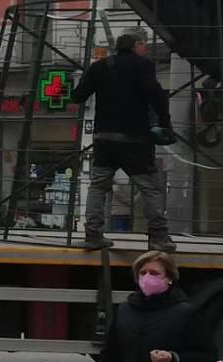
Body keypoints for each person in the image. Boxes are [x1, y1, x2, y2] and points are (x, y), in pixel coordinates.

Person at [72, 31, 175, 251]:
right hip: (135, 139)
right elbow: (155, 95)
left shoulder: (100, 67)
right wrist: (165, 123)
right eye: (144, 45)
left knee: (98, 186)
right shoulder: (143, 66)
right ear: (136, 45)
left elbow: (78, 96)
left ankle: (93, 235)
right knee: (150, 188)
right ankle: (158, 237)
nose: (145, 49)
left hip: (103, 138)